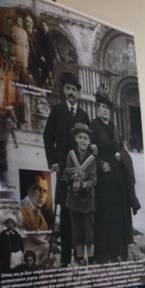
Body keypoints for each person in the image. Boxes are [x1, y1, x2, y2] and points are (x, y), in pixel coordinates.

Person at [43, 72, 90, 266]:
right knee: (65, 209)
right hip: (63, 170)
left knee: (79, 211)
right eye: (68, 89)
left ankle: (78, 255)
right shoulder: (57, 111)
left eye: (74, 89)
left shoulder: (84, 115)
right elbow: (48, 137)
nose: (71, 92)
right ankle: (64, 258)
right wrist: (53, 161)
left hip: (81, 171)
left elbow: (88, 142)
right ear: (64, 91)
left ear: (78, 93)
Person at [90, 88, 134, 262]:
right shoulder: (94, 126)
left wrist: (120, 155)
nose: (105, 110)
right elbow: (90, 150)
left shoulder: (115, 128)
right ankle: (104, 252)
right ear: (98, 109)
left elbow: (122, 147)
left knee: (117, 212)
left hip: (116, 176)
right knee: (104, 212)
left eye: (107, 108)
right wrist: (100, 163)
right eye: (102, 107)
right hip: (102, 177)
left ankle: (117, 250)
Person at [62, 124, 96, 265]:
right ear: (76, 138)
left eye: (85, 138)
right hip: (74, 201)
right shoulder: (71, 155)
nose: (83, 140)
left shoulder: (91, 159)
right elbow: (66, 171)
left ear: (89, 141)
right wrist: (74, 174)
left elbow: (93, 180)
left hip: (87, 201)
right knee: (77, 234)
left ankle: (91, 261)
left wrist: (83, 184)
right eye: (80, 137)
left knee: (89, 234)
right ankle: (81, 260)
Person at [25, 15, 41, 84]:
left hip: (37, 55)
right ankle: (38, 82)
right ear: (25, 23)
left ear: (33, 24)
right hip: (29, 55)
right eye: (28, 22)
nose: (29, 24)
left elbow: (38, 45)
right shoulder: (24, 32)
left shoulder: (35, 33)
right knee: (33, 66)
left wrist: (40, 55)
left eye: (31, 22)